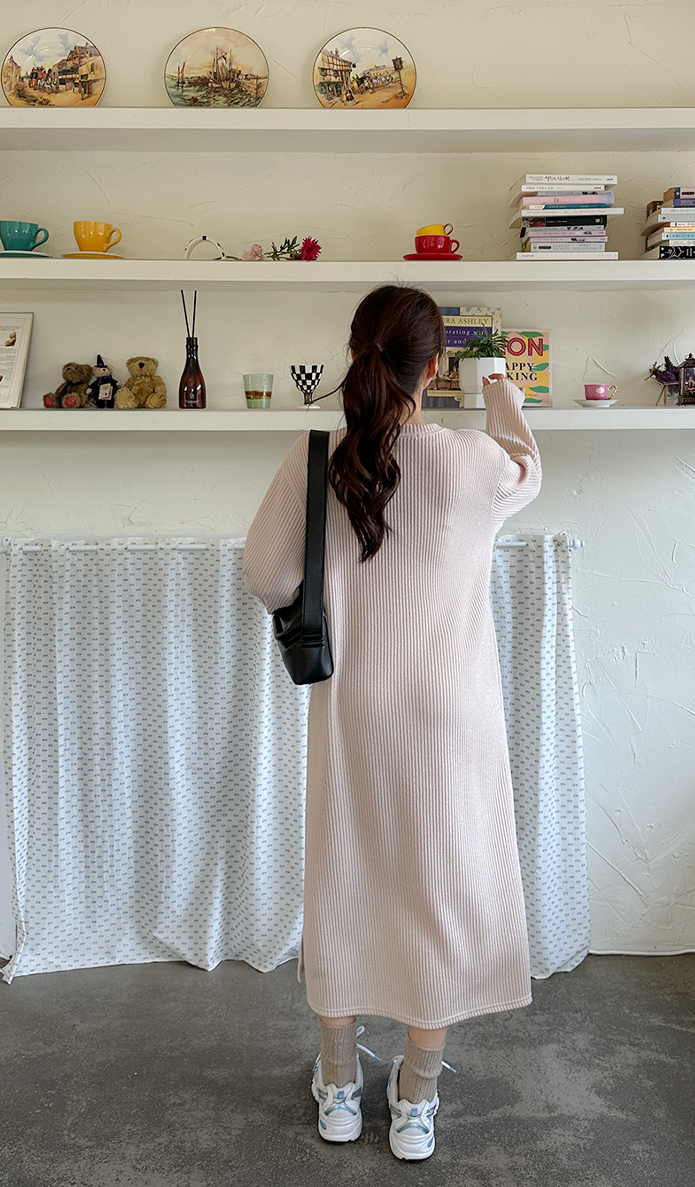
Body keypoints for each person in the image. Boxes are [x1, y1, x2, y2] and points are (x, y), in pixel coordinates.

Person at [242, 284, 542, 1161]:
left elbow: (266, 576)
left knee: (345, 878)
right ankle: (415, 1097)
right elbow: (528, 468)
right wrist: (500, 392)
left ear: (353, 352)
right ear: (434, 366)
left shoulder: (319, 457)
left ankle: (339, 1086)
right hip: (450, 717)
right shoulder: (474, 461)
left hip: (354, 707)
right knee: (437, 889)